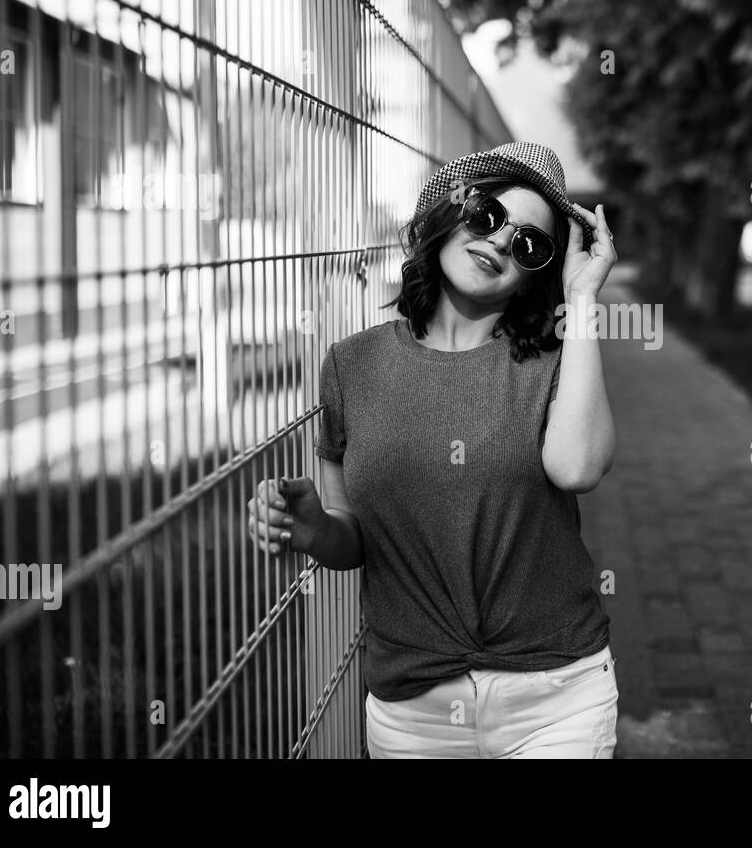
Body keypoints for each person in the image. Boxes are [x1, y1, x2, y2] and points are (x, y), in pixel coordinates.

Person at [247, 142, 619, 758]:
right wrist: (314, 529)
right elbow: (354, 542)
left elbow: (577, 467)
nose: (501, 241)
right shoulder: (352, 365)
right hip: (413, 710)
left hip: (556, 699)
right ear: (447, 215)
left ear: (536, 274)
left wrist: (580, 300)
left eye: (530, 243)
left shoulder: (556, 363)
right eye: (487, 215)